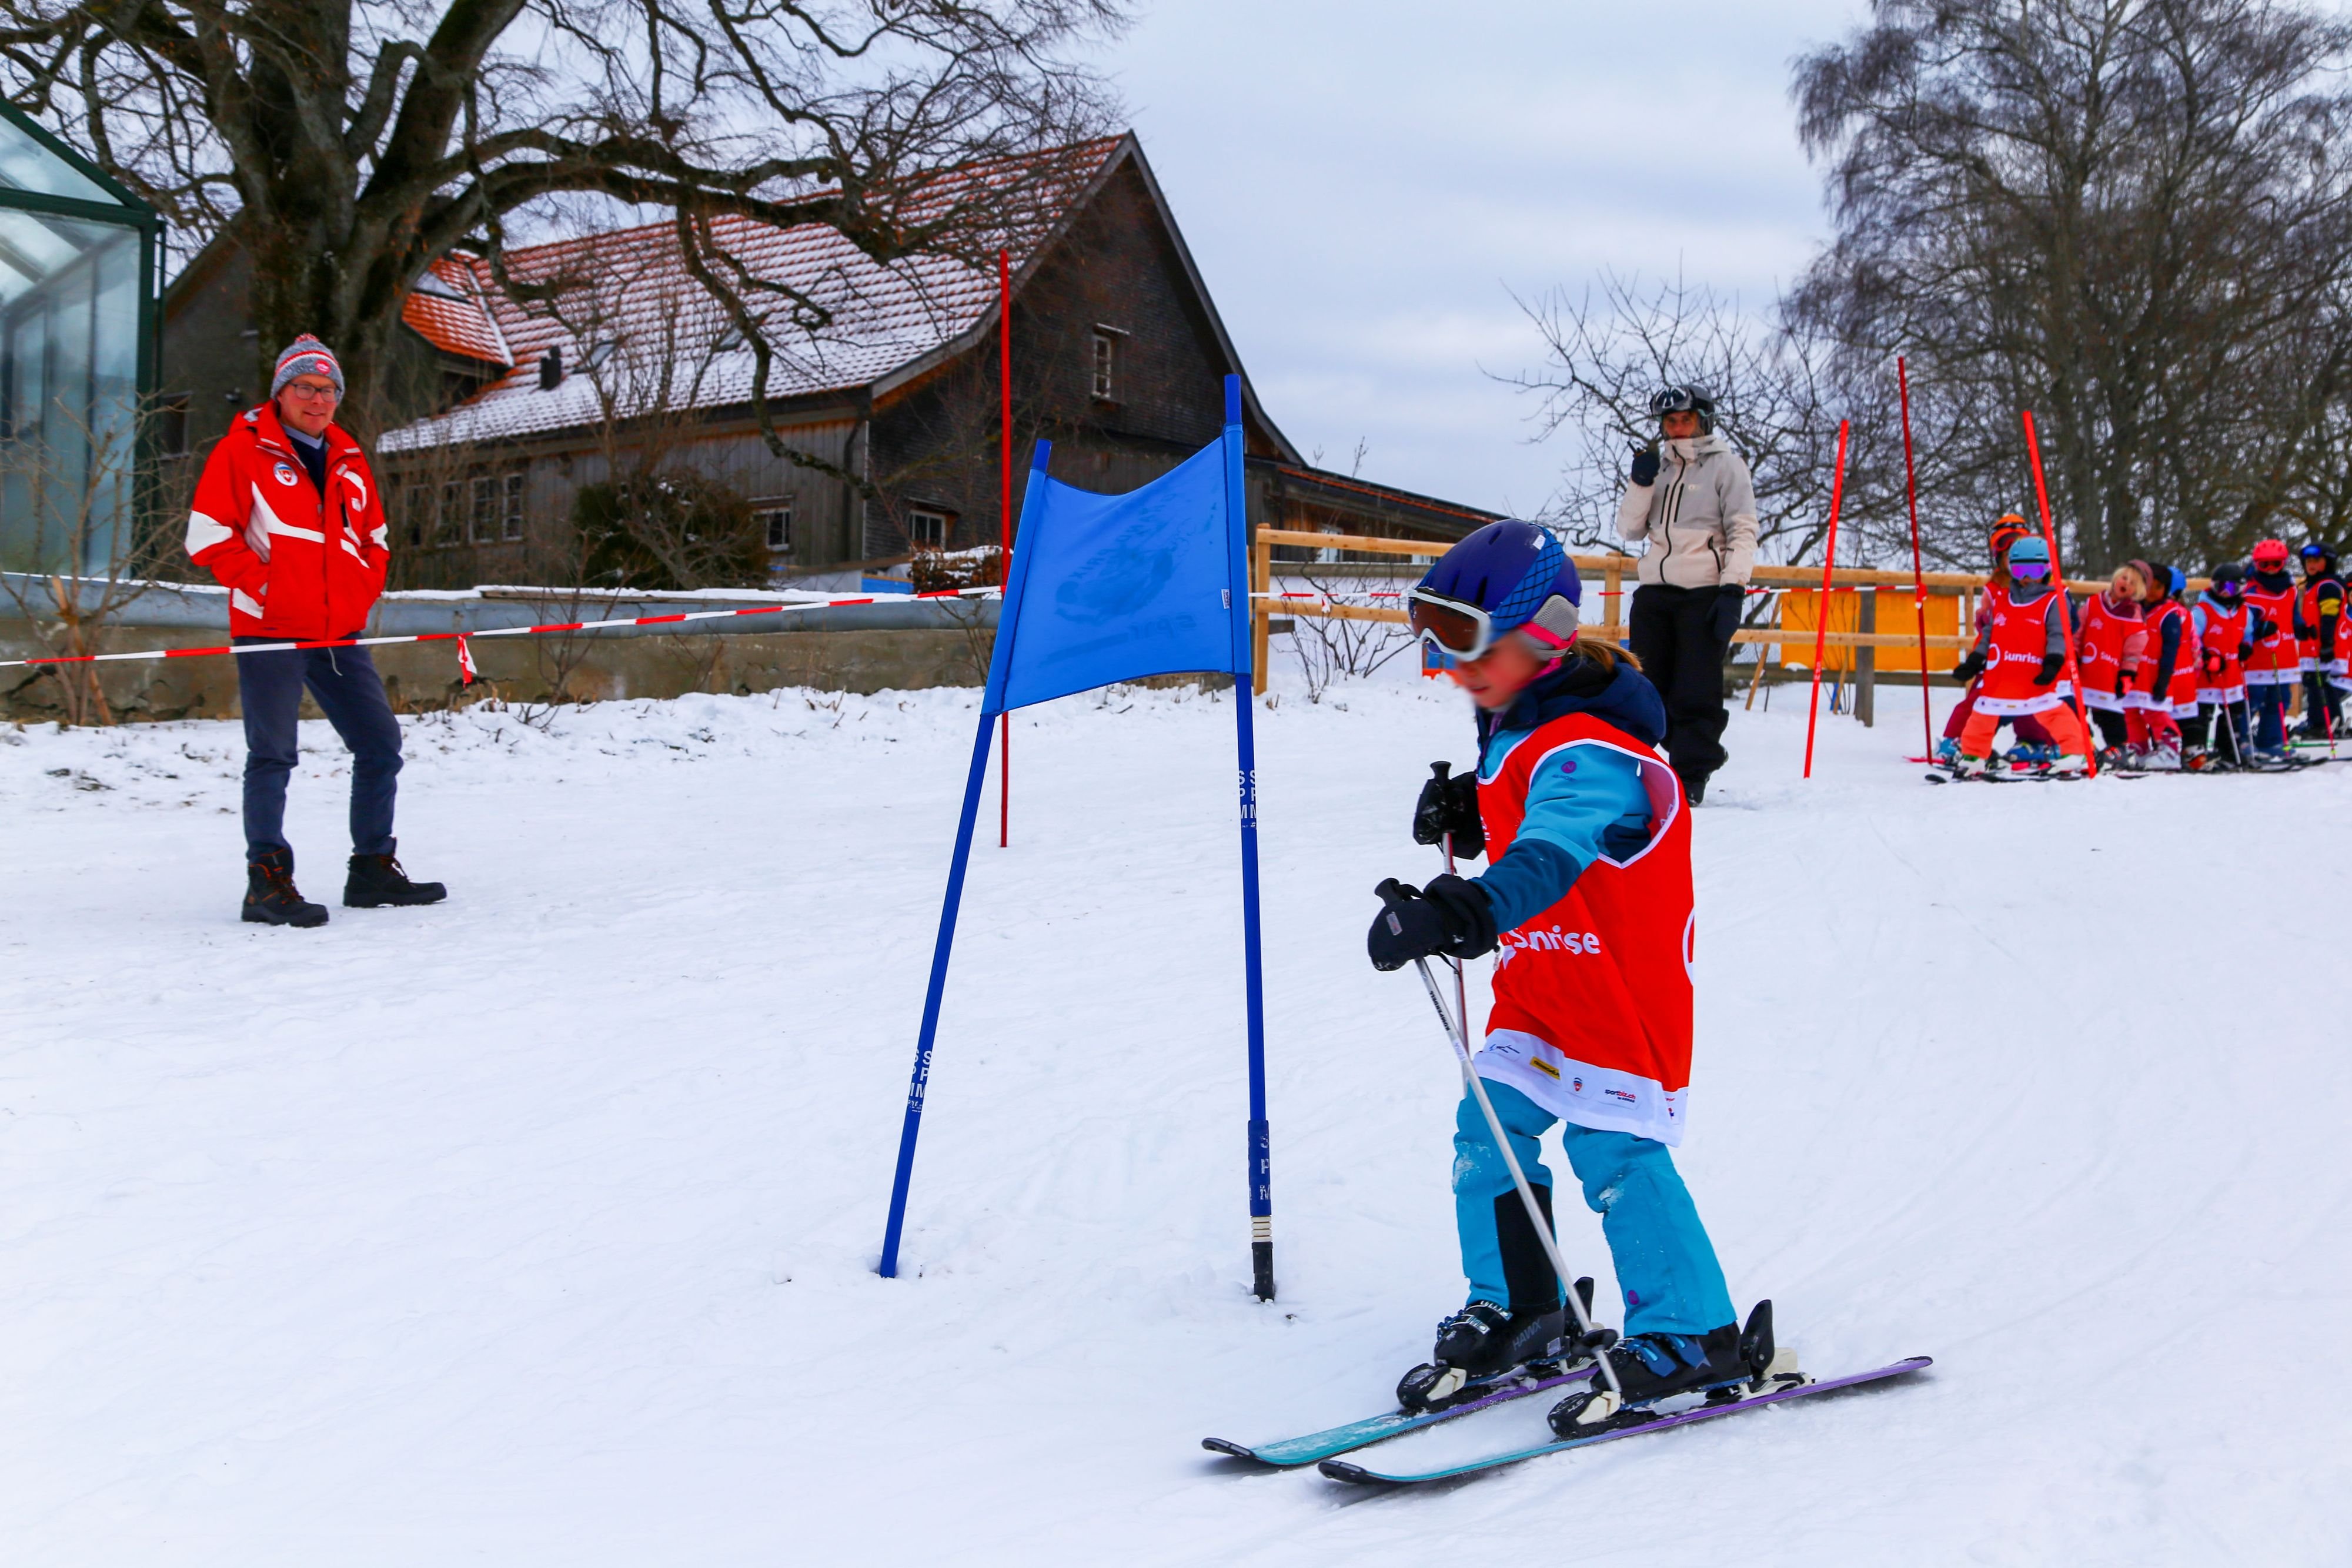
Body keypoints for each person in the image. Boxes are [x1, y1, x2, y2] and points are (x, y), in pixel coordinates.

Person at [1370, 519, 1768, 1436]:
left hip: (1618, 996)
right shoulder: (1527, 729)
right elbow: (1527, 806)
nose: (1445, 660)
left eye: (1466, 639)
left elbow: (1553, 849)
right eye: (1432, 633)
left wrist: (1465, 906)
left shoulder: (1595, 746)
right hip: (1544, 986)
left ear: (1544, 634)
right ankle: (1523, 1304)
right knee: (1491, 1130)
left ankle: (1690, 1329)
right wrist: (1475, 806)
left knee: (1614, 1152)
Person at [185, 335, 446, 926]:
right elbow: (206, 537)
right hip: (271, 631)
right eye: (305, 386)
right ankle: (268, 884)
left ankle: (372, 869)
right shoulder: (241, 452)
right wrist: (266, 590)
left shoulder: (350, 460)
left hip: (338, 634)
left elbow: (375, 543)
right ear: (281, 391)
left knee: (380, 745)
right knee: (273, 755)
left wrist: (357, 595)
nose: (318, 398)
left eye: (328, 389)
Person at [1615, 385, 1758, 805]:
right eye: (1670, 422)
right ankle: (1652, 763)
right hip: (1656, 592)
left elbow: (1743, 530)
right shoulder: (1657, 467)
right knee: (1645, 686)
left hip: (1703, 592)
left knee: (1696, 689)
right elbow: (1630, 530)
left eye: (1685, 420)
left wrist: (1733, 588)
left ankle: (1692, 772)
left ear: (1703, 420)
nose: (1677, 429)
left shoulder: (1727, 467)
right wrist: (1640, 482)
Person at [1945, 536, 2092, 777]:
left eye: (2034, 570)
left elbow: (2059, 633)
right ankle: (1974, 756)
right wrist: (1974, 661)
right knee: (1982, 714)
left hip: (2033, 674)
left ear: (2046, 570)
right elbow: (1991, 633)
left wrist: (2054, 662)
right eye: (2020, 569)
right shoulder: (2004, 599)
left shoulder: (2054, 600)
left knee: (2054, 712)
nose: (2026, 577)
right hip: (2002, 674)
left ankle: (2075, 752)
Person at [1935, 515, 2064, 765]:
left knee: (2030, 699)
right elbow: (1988, 623)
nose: (2025, 572)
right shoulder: (1996, 590)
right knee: (1980, 699)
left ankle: (2035, 741)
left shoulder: (2039, 590)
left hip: (2027, 656)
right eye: (2012, 560)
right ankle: (1957, 739)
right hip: (1996, 657)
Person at [2124, 561, 2194, 770]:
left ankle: (2170, 749)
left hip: (2154, 675)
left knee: (2154, 712)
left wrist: (2163, 680)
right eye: (2149, 586)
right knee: (2130, 711)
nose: (2152, 592)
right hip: (2133, 674)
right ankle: (2139, 748)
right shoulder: (2130, 610)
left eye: (2158, 588)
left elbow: (2171, 649)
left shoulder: (2168, 614)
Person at [2076, 563, 2148, 764]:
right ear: (2116, 578)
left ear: (2138, 591)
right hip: (2085, 670)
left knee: (2109, 715)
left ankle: (2118, 749)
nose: (2126, 583)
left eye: (2132, 583)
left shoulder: (2133, 614)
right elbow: (2077, 632)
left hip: (2110, 672)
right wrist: (2073, 653)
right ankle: (2082, 744)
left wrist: (2128, 674)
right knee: (2076, 709)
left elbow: (2134, 649)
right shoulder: (2093, 603)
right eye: (2124, 578)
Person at [2190, 562, 2257, 771]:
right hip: (2209, 674)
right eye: (2222, 588)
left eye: (2232, 589)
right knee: (2204, 711)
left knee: (2235, 711)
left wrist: (2247, 646)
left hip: (2232, 673)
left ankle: (2228, 748)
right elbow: (2192, 639)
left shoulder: (2244, 612)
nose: (2226, 593)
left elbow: (2248, 634)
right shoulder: (2203, 611)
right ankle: (2196, 752)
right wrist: (2205, 656)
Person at [2243, 540, 2300, 762]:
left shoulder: (2290, 588)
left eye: (2275, 564)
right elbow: (2242, 625)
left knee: (2280, 697)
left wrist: (2303, 628)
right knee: (2254, 698)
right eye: (2264, 565)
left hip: (2283, 653)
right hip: (2257, 655)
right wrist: (2260, 629)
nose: (2270, 569)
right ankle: (2243, 740)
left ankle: (2271, 740)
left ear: (2284, 563)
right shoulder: (2249, 590)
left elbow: (2293, 616)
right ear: (2256, 564)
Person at [2296, 542, 2345, 743]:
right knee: (2316, 682)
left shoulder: (2328, 586)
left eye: (2317, 561)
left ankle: (2320, 723)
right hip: (2311, 646)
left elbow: (2330, 616)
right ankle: (2332, 720)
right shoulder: (2314, 585)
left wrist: (2327, 642)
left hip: (2323, 646)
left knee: (2318, 683)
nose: (2311, 565)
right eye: (2308, 561)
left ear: (2329, 562)